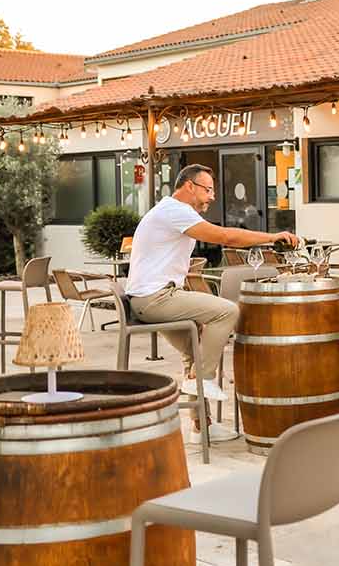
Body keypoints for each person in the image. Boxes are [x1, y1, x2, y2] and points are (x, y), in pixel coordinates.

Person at [127, 164, 299, 443]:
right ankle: (202, 379)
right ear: (189, 186)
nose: (212, 197)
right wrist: (272, 238)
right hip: (156, 298)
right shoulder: (175, 211)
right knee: (227, 311)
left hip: (149, 297)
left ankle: (201, 426)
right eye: (208, 190)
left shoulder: (169, 211)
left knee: (196, 349)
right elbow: (225, 237)